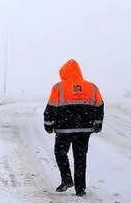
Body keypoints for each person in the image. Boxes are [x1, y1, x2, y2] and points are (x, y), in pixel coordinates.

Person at [44, 59, 104, 197]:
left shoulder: (58, 87)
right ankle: (80, 189)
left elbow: (51, 108)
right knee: (80, 157)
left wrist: (48, 124)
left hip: (64, 129)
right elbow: (99, 106)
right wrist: (98, 123)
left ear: (64, 72)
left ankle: (66, 179)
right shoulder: (92, 87)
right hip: (84, 130)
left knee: (60, 153)